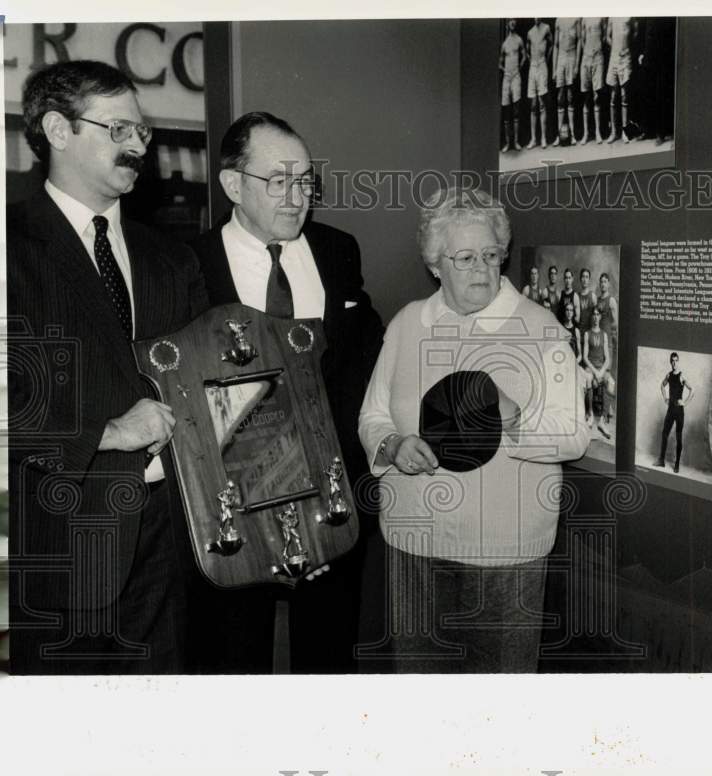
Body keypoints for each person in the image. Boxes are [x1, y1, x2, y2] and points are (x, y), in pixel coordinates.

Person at [7, 60, 209, 674]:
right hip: (65, 540)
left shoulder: (169, 256)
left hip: (172, 539)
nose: (137, 146)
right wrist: (110, 432)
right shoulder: (11, 245)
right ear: (58, 130)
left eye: (142, 133)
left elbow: (200, 378)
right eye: (119, 128)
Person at [358, 188, 589, 673]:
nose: (481, 269)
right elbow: (373, 415)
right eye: (464, 258)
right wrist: (393, 445)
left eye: (490, 255)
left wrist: (512, 415)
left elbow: (573, 436)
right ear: (435, 264)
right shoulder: (406, 324)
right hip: (413, 541)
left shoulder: (540, 328)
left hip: (503, 552)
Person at [188, 111, 384, 674]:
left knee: (328, 664)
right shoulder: (187, 265)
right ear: (232, 185)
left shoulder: (337, 250)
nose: (298, 197)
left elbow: (355, 368)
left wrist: (333, 497)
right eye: (278, 181)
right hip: (231, 512)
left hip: (331, 503)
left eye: (305, 181)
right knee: (232, 664)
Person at [637, 16, 676, 145]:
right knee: (646, 94)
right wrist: (642, 53)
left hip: (662, 59)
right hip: (648, 58)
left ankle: (661, 133)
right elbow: (642, 31)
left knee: (661, 94)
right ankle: (647, 130)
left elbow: (671, 36)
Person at [655, 352, 693, 473]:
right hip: (670, 409)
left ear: (678, 361)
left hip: (679, 411)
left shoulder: (682, 376)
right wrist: (665, 397)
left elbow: (692, 390)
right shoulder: (669, 375)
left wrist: (685, 402)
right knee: (664, 433)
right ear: (670, 362)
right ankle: (661, 461)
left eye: (676, 360)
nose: (674, 363)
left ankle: (677, 464)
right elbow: (662, 385)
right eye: (672, 360)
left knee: (678, 437)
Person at [583, 307, 615, 439]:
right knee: (588, 379)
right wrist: (595, 372)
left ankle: (602, 420)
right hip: (590, 367)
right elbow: (585, 357)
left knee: (612, 383)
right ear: (592, 317)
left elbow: (607, 358)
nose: (595, 317)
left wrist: (601, 371)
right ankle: (590, 413)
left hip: (601, 368)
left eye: (597, 314)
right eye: (594, 314)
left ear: (600, 317)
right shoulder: (587, 334)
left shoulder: (604, 335)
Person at [605, 17, 635, 143]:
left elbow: (635, 33)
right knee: (613, 95)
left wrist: (626, 49)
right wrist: (615, 49)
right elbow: (607, 37)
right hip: (614, 58)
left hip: (625, 58)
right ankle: (613, 132)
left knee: (624, 95)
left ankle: (625, 132)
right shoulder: (611, 16)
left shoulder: (629, 16)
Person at [499, 19, 526, 153]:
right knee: (506, 109)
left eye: (515, 20)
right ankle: (508, 143)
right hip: (507, 77)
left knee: (516, 109)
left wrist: (518, 68)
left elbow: (524, 56)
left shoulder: (519, 40)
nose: (513, 23)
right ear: (507, 24)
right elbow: (500, 63)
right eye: (510, 21)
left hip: (516, 76)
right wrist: (506, 71)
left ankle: (515, 142)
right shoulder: (504, 44)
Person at [553, 17, 582, 145]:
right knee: (560, 97)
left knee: (570, 96)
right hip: (561, 58)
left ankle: (573, 134)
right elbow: (555, 45)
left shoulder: (576, 18)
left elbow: (580, 41)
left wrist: (576, 65)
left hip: (572, 55)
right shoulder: (558, 20)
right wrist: (554, 68)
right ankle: (559, 135)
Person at [526, 18, 553, 150]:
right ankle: (533, 138)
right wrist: (532, 62)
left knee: (542, 103)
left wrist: (545, 60)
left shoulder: (546, 28)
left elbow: (552, 44)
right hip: (533, 67)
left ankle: (543, 138)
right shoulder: (530, 32)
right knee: (533, 104)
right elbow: (527, 50)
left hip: (542, 65)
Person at [579, 17, 606, 144]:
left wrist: (597, 50)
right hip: (586, 59)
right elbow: (582, 39)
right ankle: (586, 133)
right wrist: (588, 52)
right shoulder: (583, 18)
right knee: (586, 97)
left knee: (596, 96)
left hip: (598, 58)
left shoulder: (601, 16)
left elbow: (605, 37)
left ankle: (598, 132)